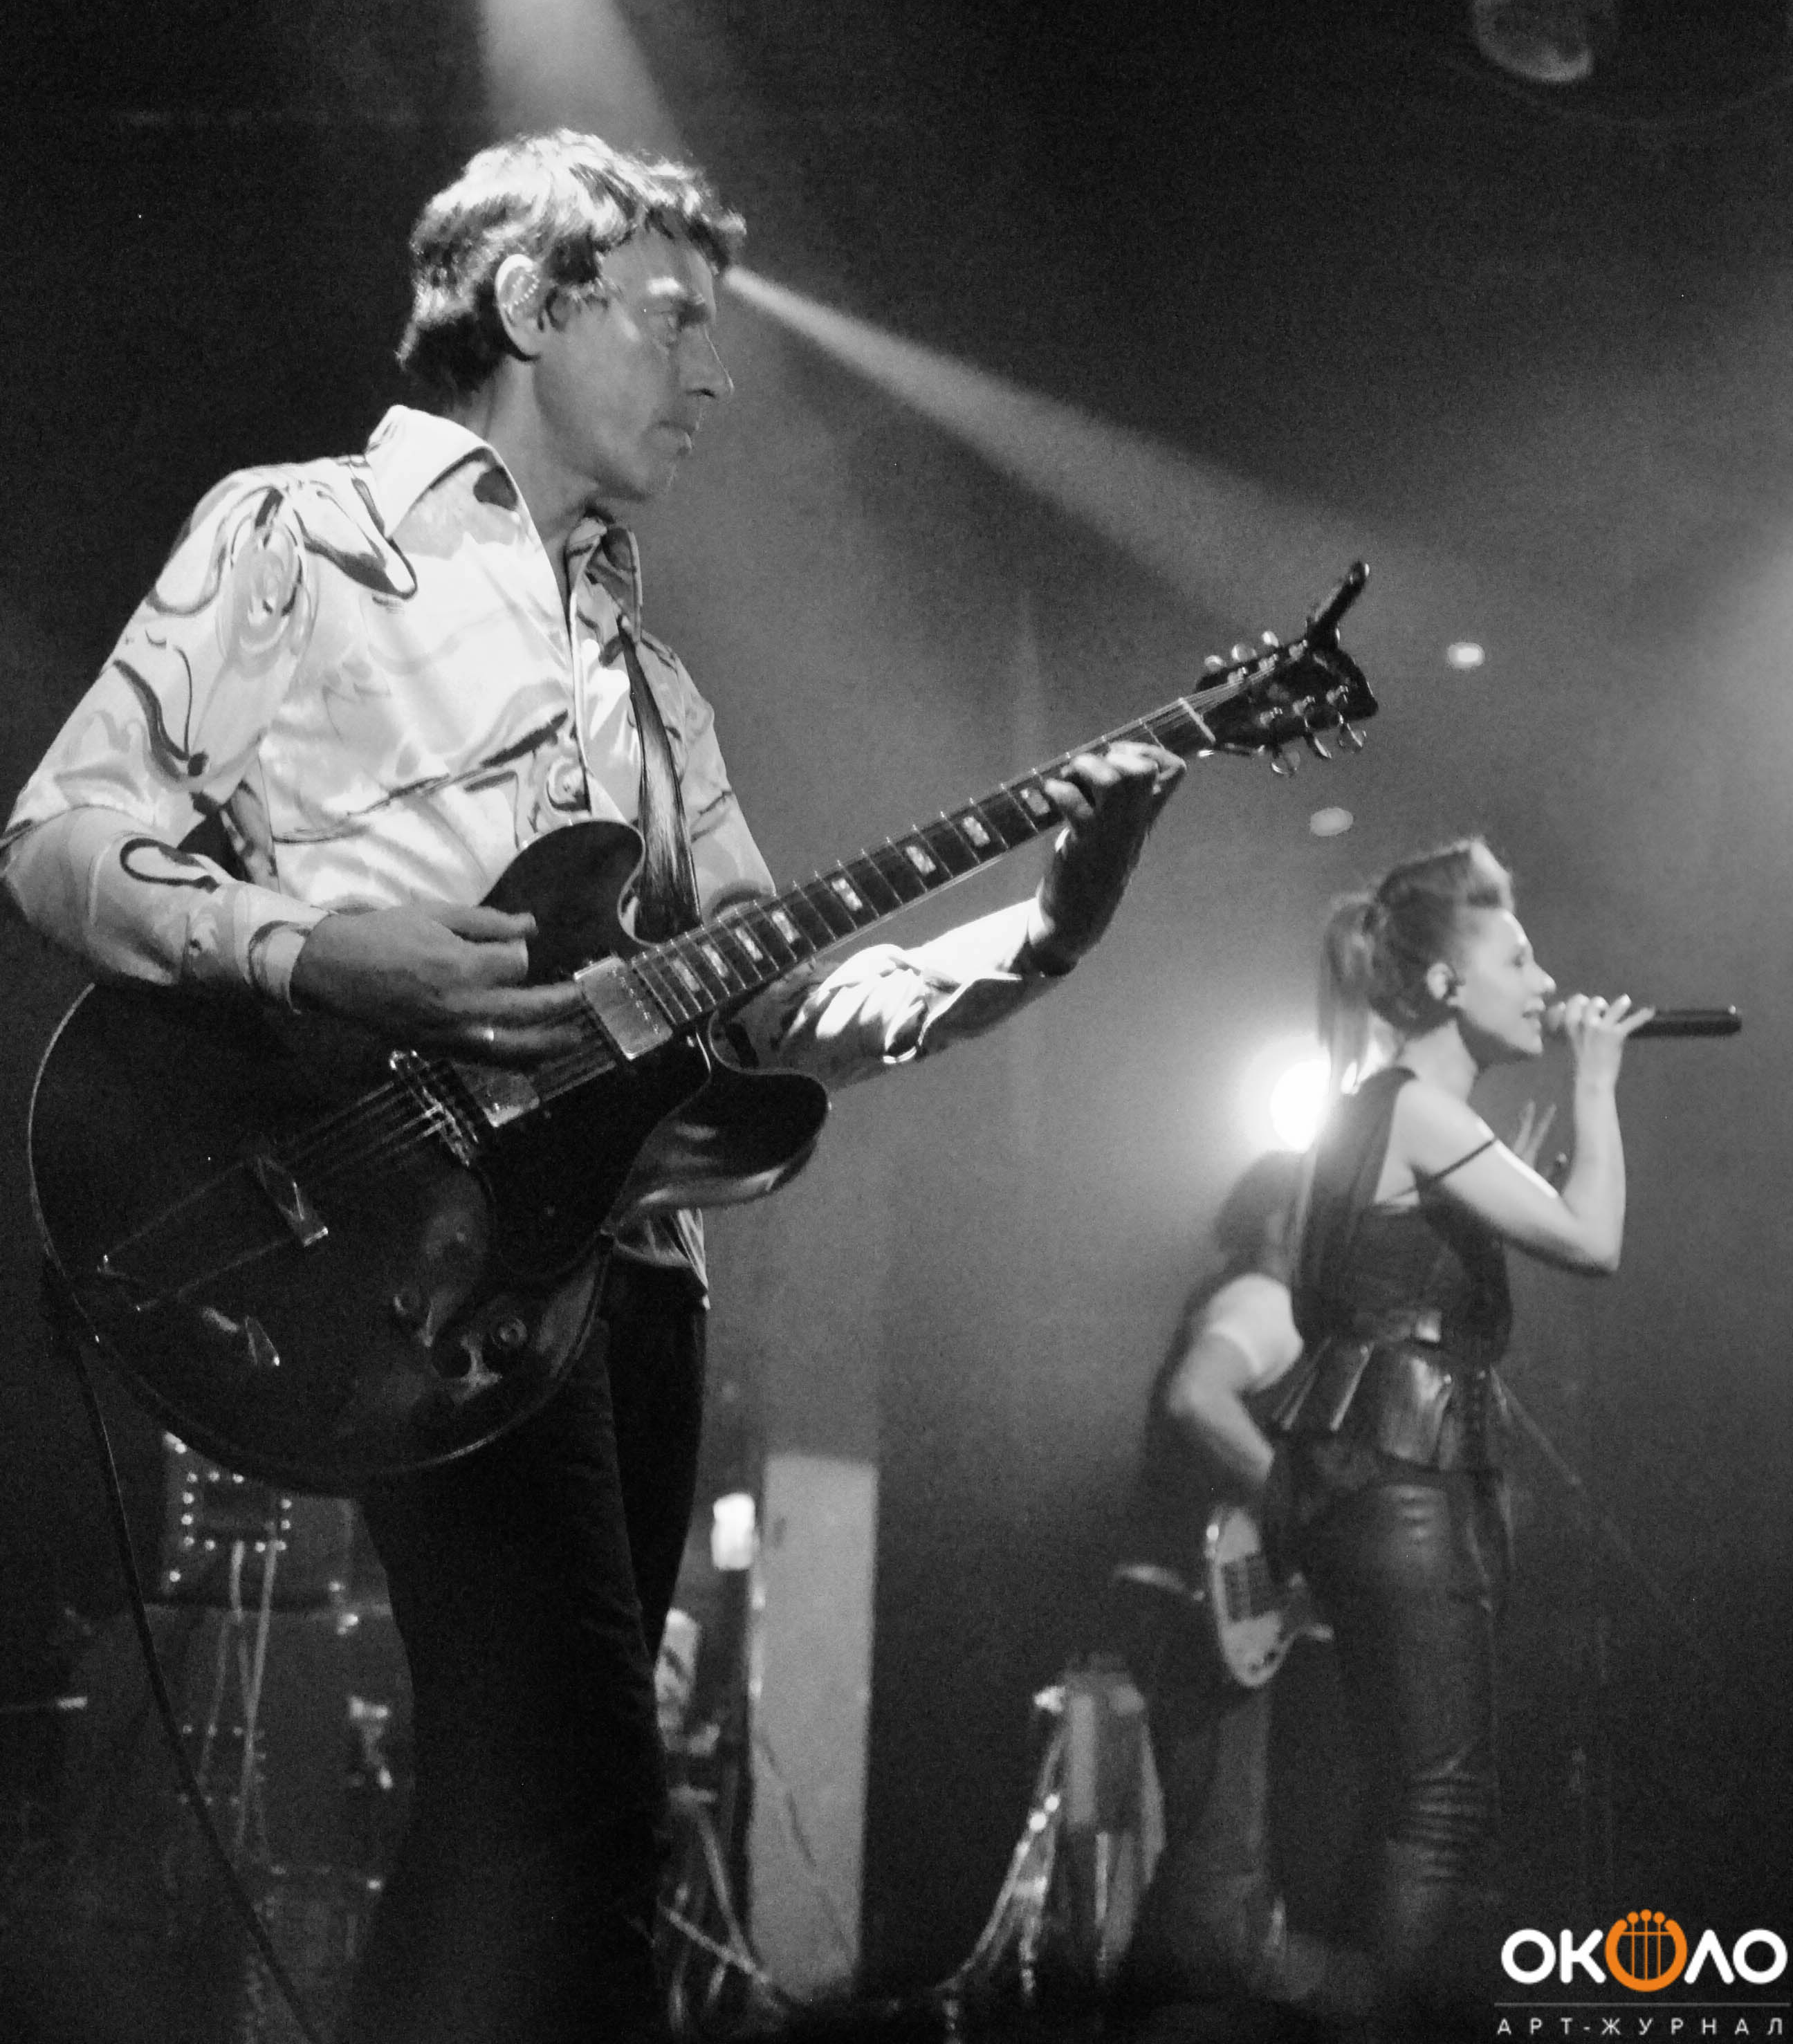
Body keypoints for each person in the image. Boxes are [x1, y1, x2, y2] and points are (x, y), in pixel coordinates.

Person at [0, 129, 1184, 2044]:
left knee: (519, 1814)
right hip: (406, 1239)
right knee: (582, 1799)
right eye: (671, 318)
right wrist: (314, 949)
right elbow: (63, 834)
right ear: (532, 302)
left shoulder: (656, 687)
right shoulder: (304, 536)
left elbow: (778, 1005)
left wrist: (1052, 924)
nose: (712, 372)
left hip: (622, 1267)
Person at [1265, 838, 1647, 2038]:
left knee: (1403, 1799)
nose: (1547, 984)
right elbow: (1592, 1241)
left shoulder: (1366, 1116)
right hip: (1406, 1472)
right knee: (1437, 1805)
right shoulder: (1419, 1112)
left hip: (1358, 1466)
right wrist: (1597, 1082)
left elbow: (1335, 1301)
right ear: (1442, 983)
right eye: (1517, 960)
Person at [1110, 1152, 1350, 2018]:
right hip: (1194, 1599)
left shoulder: (1260, 1301)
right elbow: (1197, 1396)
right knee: (1220, 1853)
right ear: (1281, 1220)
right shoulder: (1262, 1301)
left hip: (1196, 1597)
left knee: (1212, 1846)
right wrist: (1297, 1508)